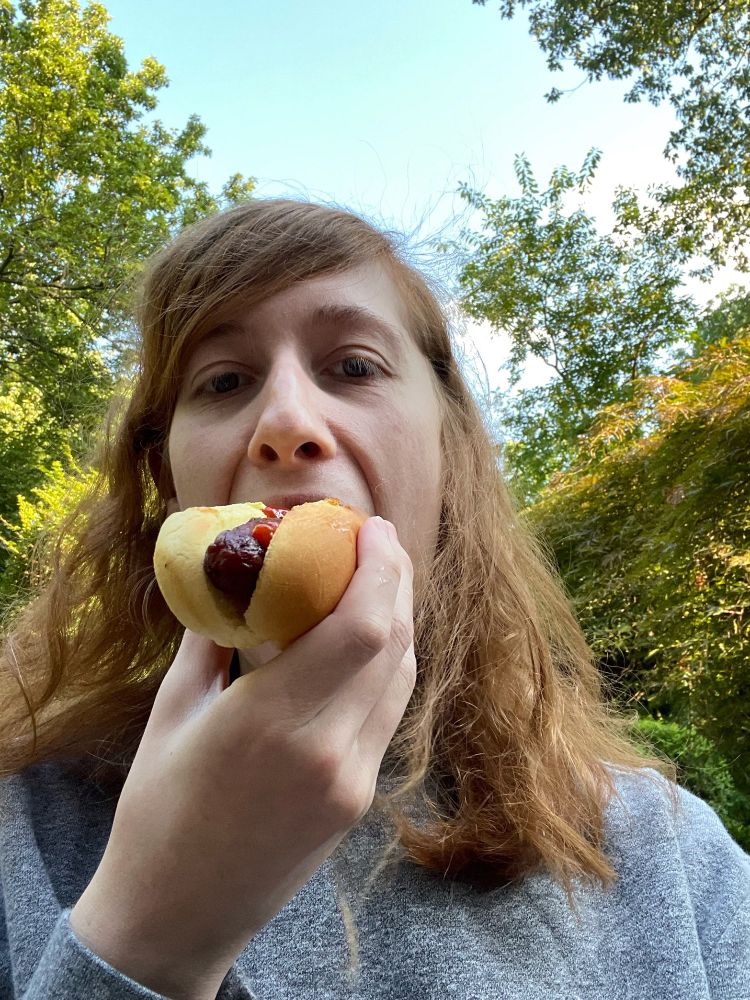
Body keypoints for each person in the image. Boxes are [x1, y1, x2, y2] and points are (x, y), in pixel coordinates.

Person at [0, 198, 747, 1000]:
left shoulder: (670, 858)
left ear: (449, 448)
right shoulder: (22, 819)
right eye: (223, 381)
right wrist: (146, 936)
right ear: (163, 477)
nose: (286, 421)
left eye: (353, 366)